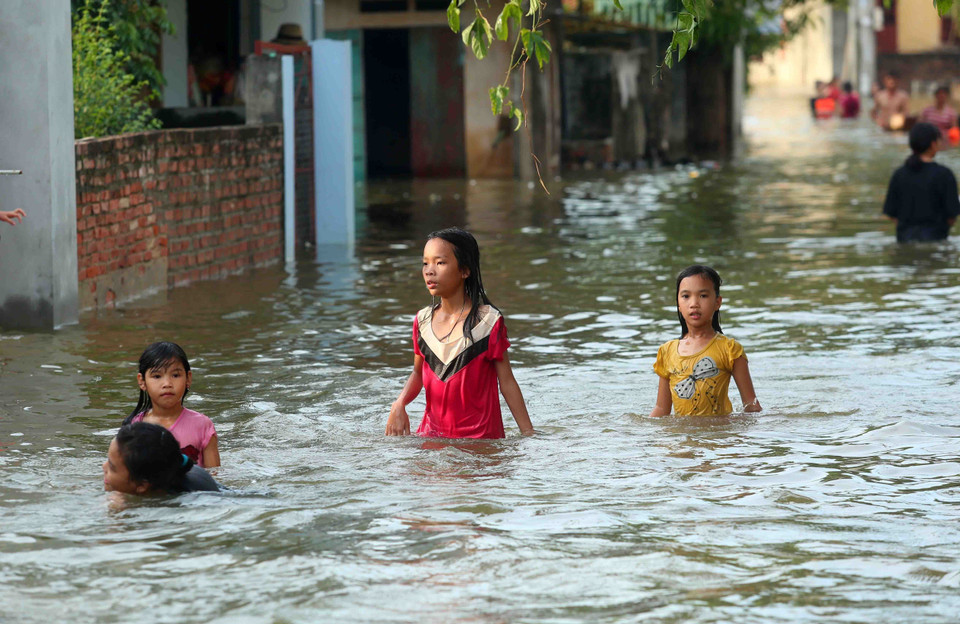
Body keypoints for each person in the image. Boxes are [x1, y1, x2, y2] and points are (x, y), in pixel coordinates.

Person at [385, 227, 534, 438]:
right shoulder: (422, 321)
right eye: (425, 263)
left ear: (464, 270)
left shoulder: (489, 322)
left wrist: (529, 434)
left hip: (481, 446)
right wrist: (399, 403)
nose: (429, 270)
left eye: (440, 262)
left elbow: (507, 383)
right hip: (431, 442)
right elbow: (418, 373)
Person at [649, 265, 761, 417]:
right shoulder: (667, 351)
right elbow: (661, 409)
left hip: (719, 438)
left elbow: (751, 405)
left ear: (717, 302)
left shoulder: (730, 349)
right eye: (686, 296)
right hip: (682, 438)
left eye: (703, 296)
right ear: (678, 304)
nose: (694, 303)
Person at [122, 342, 220, 467]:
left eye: (175, 375)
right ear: (142, 381)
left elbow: (214, 478)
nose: (167, 383)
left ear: (188, 378)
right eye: (157, 376)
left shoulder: (202, 425)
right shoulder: (134, 427)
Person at [882, 122, 960, 242]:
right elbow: (952, 216)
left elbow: (891, 214)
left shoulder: (899, 174)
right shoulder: (945, 175)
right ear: (933, 144)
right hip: (935, 240)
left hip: (905, 241)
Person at [103, 422, 220, 495]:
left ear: (142, 485)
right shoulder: (171, 468)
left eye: (112, 467)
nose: (104, 466)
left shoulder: (177, 503)